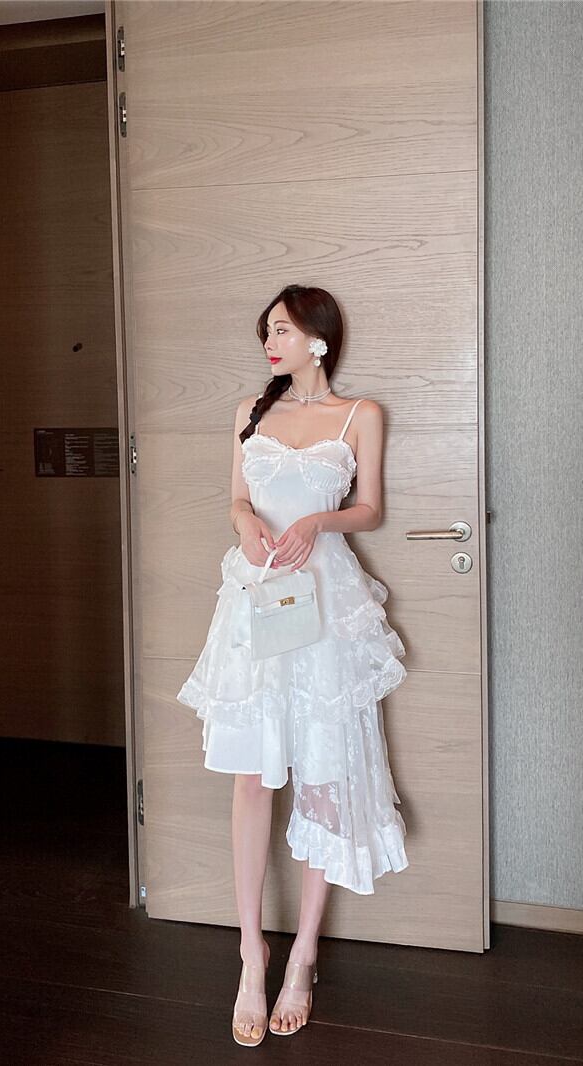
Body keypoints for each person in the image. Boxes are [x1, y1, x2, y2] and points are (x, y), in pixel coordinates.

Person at [176, 284, 409, 1046]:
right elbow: (235, 499)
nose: (270, 343)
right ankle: (252, 954)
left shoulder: (359, 414)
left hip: (325, 604)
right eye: (266, 333)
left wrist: (317, 521)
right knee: (252, 777)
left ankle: (303, 954)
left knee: (323, 776)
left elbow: (370, 508)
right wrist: (245, 520)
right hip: (257, 598)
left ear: (319, 338)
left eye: (281, 330)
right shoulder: (249, 410)